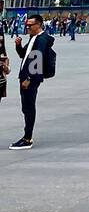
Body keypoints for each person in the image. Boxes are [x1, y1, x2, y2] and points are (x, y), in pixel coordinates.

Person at [9, 13, 56, 151]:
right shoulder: (34, 38)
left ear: (39, 24)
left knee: (29, 107)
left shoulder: (41, 40)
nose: (28, 27)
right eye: (27, 25)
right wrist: (18, 45)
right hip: (26, 77)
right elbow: (23, 55)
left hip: (30, 79)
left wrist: (29, 79)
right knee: (26, 107)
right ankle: (26, 136)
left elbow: (38, 59)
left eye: (30, 25)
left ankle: (27, 138)